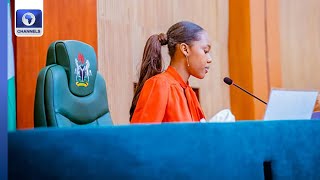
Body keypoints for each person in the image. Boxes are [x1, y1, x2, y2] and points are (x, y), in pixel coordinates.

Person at [130, 21, 212, 123]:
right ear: (185, 49)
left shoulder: (190, 93)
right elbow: (141, 136)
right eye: (205, 51)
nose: (210, 59)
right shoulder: (160, 84)